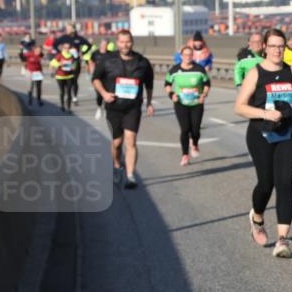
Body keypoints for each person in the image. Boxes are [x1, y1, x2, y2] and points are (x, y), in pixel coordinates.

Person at [234, 28, 292, 257]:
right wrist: (264, 114)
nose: (277, 50)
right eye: (272, 46)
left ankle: (282, 240)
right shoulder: (255, 73)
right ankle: (256, 216)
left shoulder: (291, 71)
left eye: (280, 46)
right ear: (264, 47)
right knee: (266, 183)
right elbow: (240, 106)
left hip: (289, 133)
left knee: (285, 183)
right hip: (260, 134)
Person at [92, 29, 155, 189]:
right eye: (122, 42)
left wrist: (149, 103)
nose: (125, 45)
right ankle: (117, 165)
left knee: (131, 141)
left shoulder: (142, 62)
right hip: (113, 107)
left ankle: (130, 175)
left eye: (128, 41)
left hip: (133, 107)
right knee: (117, 143)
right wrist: (104, 94)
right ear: (117, 43)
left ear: (132, 42)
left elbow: (149, 84)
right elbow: (96, 79)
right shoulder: (107, 60)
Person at [165, 46, 211, 166]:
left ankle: (194, 143)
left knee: (195, 129)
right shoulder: (175, 70)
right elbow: (167, 83)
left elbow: (207, 83)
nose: (187, 57)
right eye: (185, 55)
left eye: (190, 55)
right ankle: (185, 155)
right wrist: (171, 94)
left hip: (196, 103)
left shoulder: (199, 69)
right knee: (185, 129)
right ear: (181, 56)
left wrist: (204, 94)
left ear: (193, 56)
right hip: (181, 103)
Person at [55, 23, 90, 104]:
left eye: (69, 28)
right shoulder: (64, 38)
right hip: (65, 62)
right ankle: (68, 94)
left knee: (74, 80)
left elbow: (88, 45)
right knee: (67, 80)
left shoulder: (78, 38)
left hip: (75, 61)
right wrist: (60, 53)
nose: (67, 30)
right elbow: (55, 44)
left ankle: (74, 97)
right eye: (67, 28)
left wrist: (83, 53)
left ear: (73, 29)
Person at [49, 42, 78, 111]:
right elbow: (52, 63)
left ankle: (68, 107)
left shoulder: (71, 55)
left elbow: (75, 63)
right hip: (60, 76)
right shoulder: (59, 55)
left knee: (69, 92)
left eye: (68, 48)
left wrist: (74, 67)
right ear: (63, 48)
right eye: (65, 48)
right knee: (62, 92)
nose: (67, 49)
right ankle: (62, 105)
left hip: (69, 76)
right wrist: (59, 64)